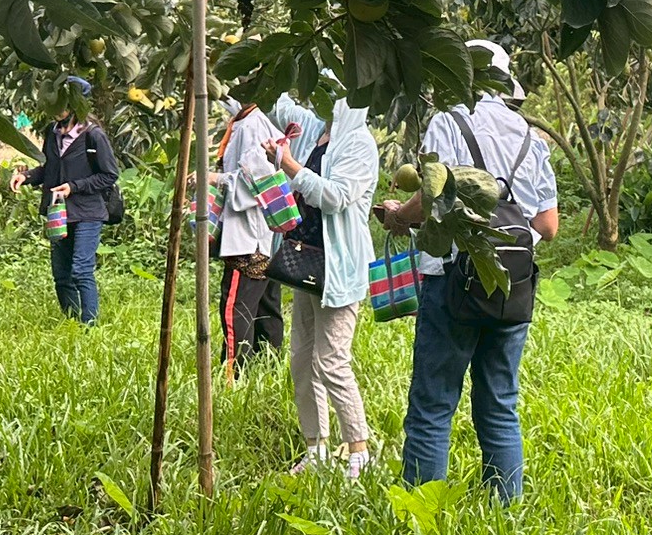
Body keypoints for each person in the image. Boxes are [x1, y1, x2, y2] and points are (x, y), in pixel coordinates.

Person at [380, 42, 558, 503]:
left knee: (433, 406)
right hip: (511, 286)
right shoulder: (527, 135)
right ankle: (506, 511)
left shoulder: (448, 122)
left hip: (451, 281)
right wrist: (508, 241)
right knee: (500, 404)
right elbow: (548, 225)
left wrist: (401, 215)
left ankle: (421, 514)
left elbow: (433, 199)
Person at [272, 96, 380, 480]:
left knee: (331, 359)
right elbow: (281, 106)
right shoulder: (319, 134)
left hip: (340, 266)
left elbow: (335, 197)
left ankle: (359, 449)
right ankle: (315, 448)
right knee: (302, 358)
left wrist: (290, 167)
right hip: (307, 259)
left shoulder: (358, 144)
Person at [10, 77, 119, 328]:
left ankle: (89, 326)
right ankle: (71, 324)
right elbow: (50, 168)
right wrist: (25, 177)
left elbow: (109, 175)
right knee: (61, 275)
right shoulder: (52, 132)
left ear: (75, 104)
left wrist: (75, 187)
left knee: (81, 270)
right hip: (58, 211)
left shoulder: (93, 136)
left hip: (88, 212)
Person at [210, 97, 283, 374]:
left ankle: (233, 375)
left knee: (235, 307)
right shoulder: (245, 122)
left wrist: (216, 179)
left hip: (249, 237)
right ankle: (268, 372)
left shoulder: (252, 125)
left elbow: (259, 182)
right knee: (266, 307)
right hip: (261, 234)